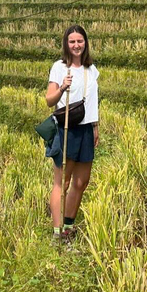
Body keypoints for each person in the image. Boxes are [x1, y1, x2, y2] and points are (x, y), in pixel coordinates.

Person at [45, 24, 99, 242]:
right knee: (62, 182)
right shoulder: (59, 67)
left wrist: (96, 127)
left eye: (80, 41)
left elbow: (94, 101)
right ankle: (57, 232)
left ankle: (68, 226)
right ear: (66, 44)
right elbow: (49, 100)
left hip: (86, 127)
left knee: (81, 181)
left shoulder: (91, 69)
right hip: (67, 128)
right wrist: (62, 88)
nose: (76, 45)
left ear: (85, 43)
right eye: (72, 41)